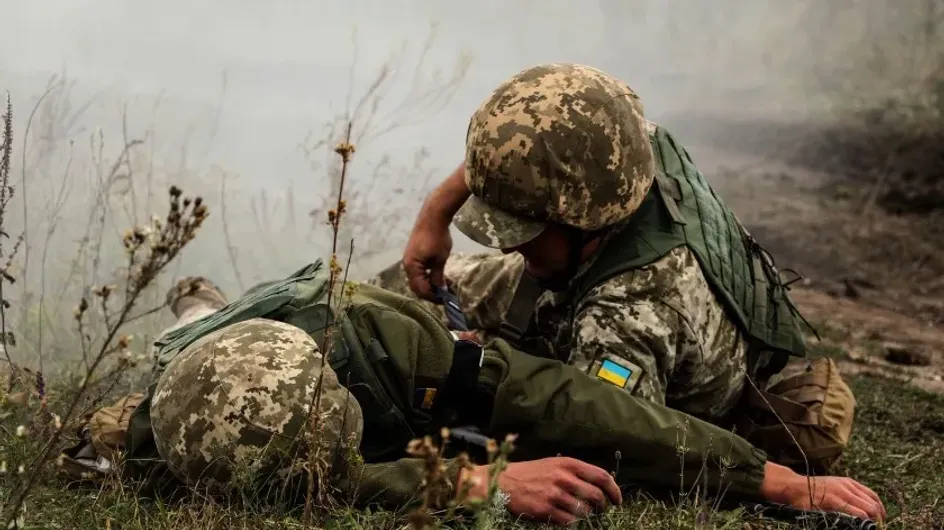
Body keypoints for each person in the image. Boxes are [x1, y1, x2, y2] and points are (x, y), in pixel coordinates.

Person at [66, 262, 885, 526]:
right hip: (204, 361)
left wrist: (772, 478)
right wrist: (474, 483)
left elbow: (577, 405)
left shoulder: (397, 345)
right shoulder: (159, 437)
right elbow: (328, 482)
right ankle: (197, 300)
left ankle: (204, 295)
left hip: (346, 323)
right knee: (186, 333)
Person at [369, 62, 856, 474]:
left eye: (526, 232)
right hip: (584, 270)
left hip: (641, 349)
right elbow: (524, 149)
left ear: (581, 216)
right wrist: (437, 214)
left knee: (419, 359)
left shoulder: (629, 314)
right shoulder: (618, 147)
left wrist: (475, 373)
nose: (512, 249)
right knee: (392, 296)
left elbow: (596, 442)